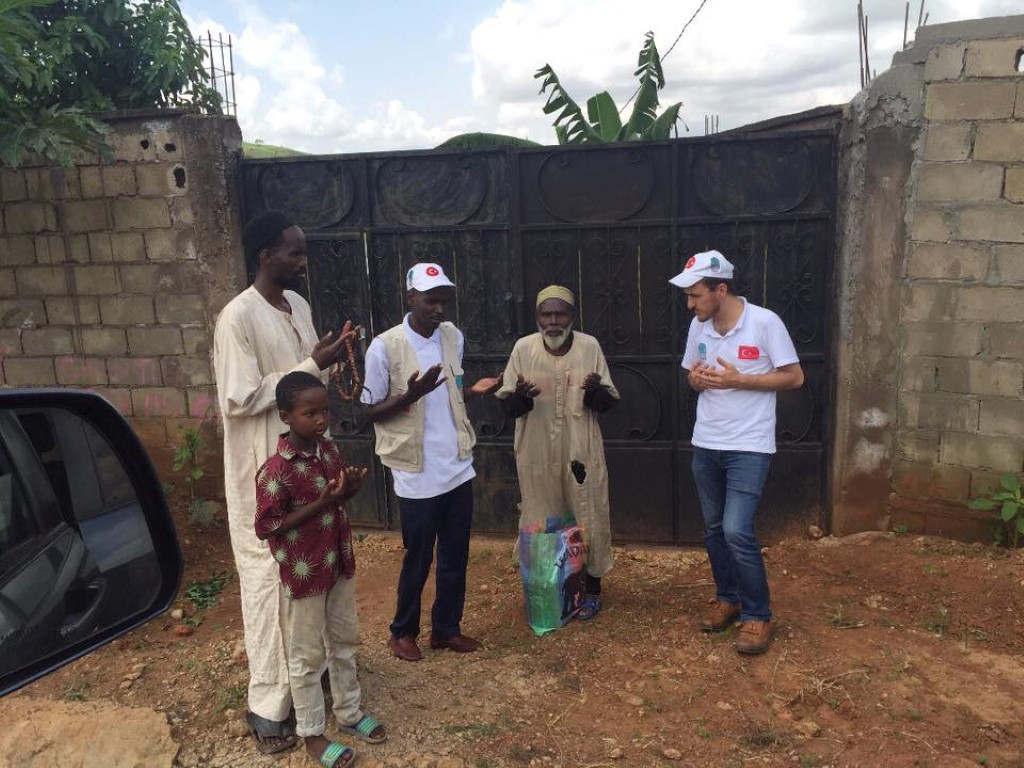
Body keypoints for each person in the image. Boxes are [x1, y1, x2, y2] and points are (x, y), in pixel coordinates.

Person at [213, 210, 358, 753]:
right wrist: (311, 363)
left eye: (303, 251)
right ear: (264, 255)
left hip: (308, 462)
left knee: (314, 567)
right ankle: (269, 707)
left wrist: (327, 358)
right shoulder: (237, 317)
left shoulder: (297, 304)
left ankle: (309, 684)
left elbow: (305, 380)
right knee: (269, 580)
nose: (302, 261)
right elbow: (240, 396)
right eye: (294, 252)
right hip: (265, 468)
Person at [360, 263, 500, 662]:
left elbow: (451, 393)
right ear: (411, 298)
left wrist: (473, 391)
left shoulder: (453, 336)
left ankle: (446, 629)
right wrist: (410, 395)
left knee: (456, 555)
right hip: (416, 470)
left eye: (443, 301)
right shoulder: (385, 347)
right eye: (430, 300)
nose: (438, 309)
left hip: (456, 464)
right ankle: (402, 632)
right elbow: (369, 411)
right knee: (418, 557)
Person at [669, 250, 804, 655]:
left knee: (736, 530)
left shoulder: (764, 323)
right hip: (706, 442)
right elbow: (691, 375)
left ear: (721, 289)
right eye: (688, 296)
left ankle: (758, 614)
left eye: (696, 295)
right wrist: (697, 380)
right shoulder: (699, 326)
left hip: (749, 446)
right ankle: (728, 598)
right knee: (713, 529)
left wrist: (738, 380)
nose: (690, 304)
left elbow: (794, 377)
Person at [255, 371, 385, 768]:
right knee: (307, 656)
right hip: (305, 575)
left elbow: (336, 498)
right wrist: (325, 502)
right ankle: (312, 733)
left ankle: (349, 712)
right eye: (309, 413)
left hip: (338, 562)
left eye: (325, 411)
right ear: (285, 417)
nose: (320, 419)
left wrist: (348, 492)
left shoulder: (328, 450)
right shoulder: (275, 471)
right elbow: (266, 526)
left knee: (345, 641)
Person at [495, 286, 619, 620]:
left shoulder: (589, 346)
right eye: (546, 315)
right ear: (537, 318)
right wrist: (522, 397)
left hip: (581, 449)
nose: (552, 322)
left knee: (587, 511)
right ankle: (549, 587)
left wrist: (594, 391)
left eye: (559, 314)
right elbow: (508, 407)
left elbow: (607, 403)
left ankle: (591, 589)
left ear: (571, 316)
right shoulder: (523, 349)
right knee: (542, 514)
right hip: (537, 451)